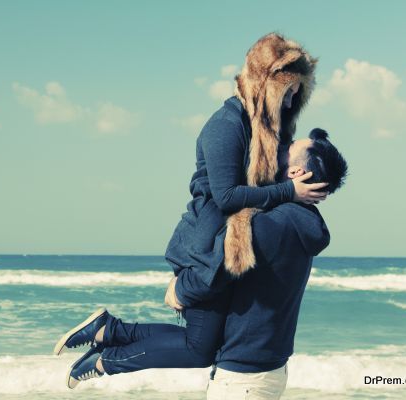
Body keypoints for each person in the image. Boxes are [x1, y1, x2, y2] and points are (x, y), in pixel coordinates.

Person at [54, 32, 325, 389]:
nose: (291, 100)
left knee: (201, 347)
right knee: (199, 350)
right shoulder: (225, 126)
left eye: (296, 92)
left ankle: (108, 331)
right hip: (203, 248)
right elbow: (226, 196)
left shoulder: (264, 131)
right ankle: (107, 355)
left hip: (226, 248)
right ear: (264, 84)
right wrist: (290, 190)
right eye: (287, 89)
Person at [54, 129, 348, 393]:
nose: (278, 147)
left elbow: (219, 272)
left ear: (296, 173)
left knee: (196, 348)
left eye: (288, 148)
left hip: (243, 379)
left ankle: (107, 347)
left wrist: (181, 289)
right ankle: (107, 337)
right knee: (197, 346)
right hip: (261, 368)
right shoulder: (301, 219)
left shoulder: (270, 225)